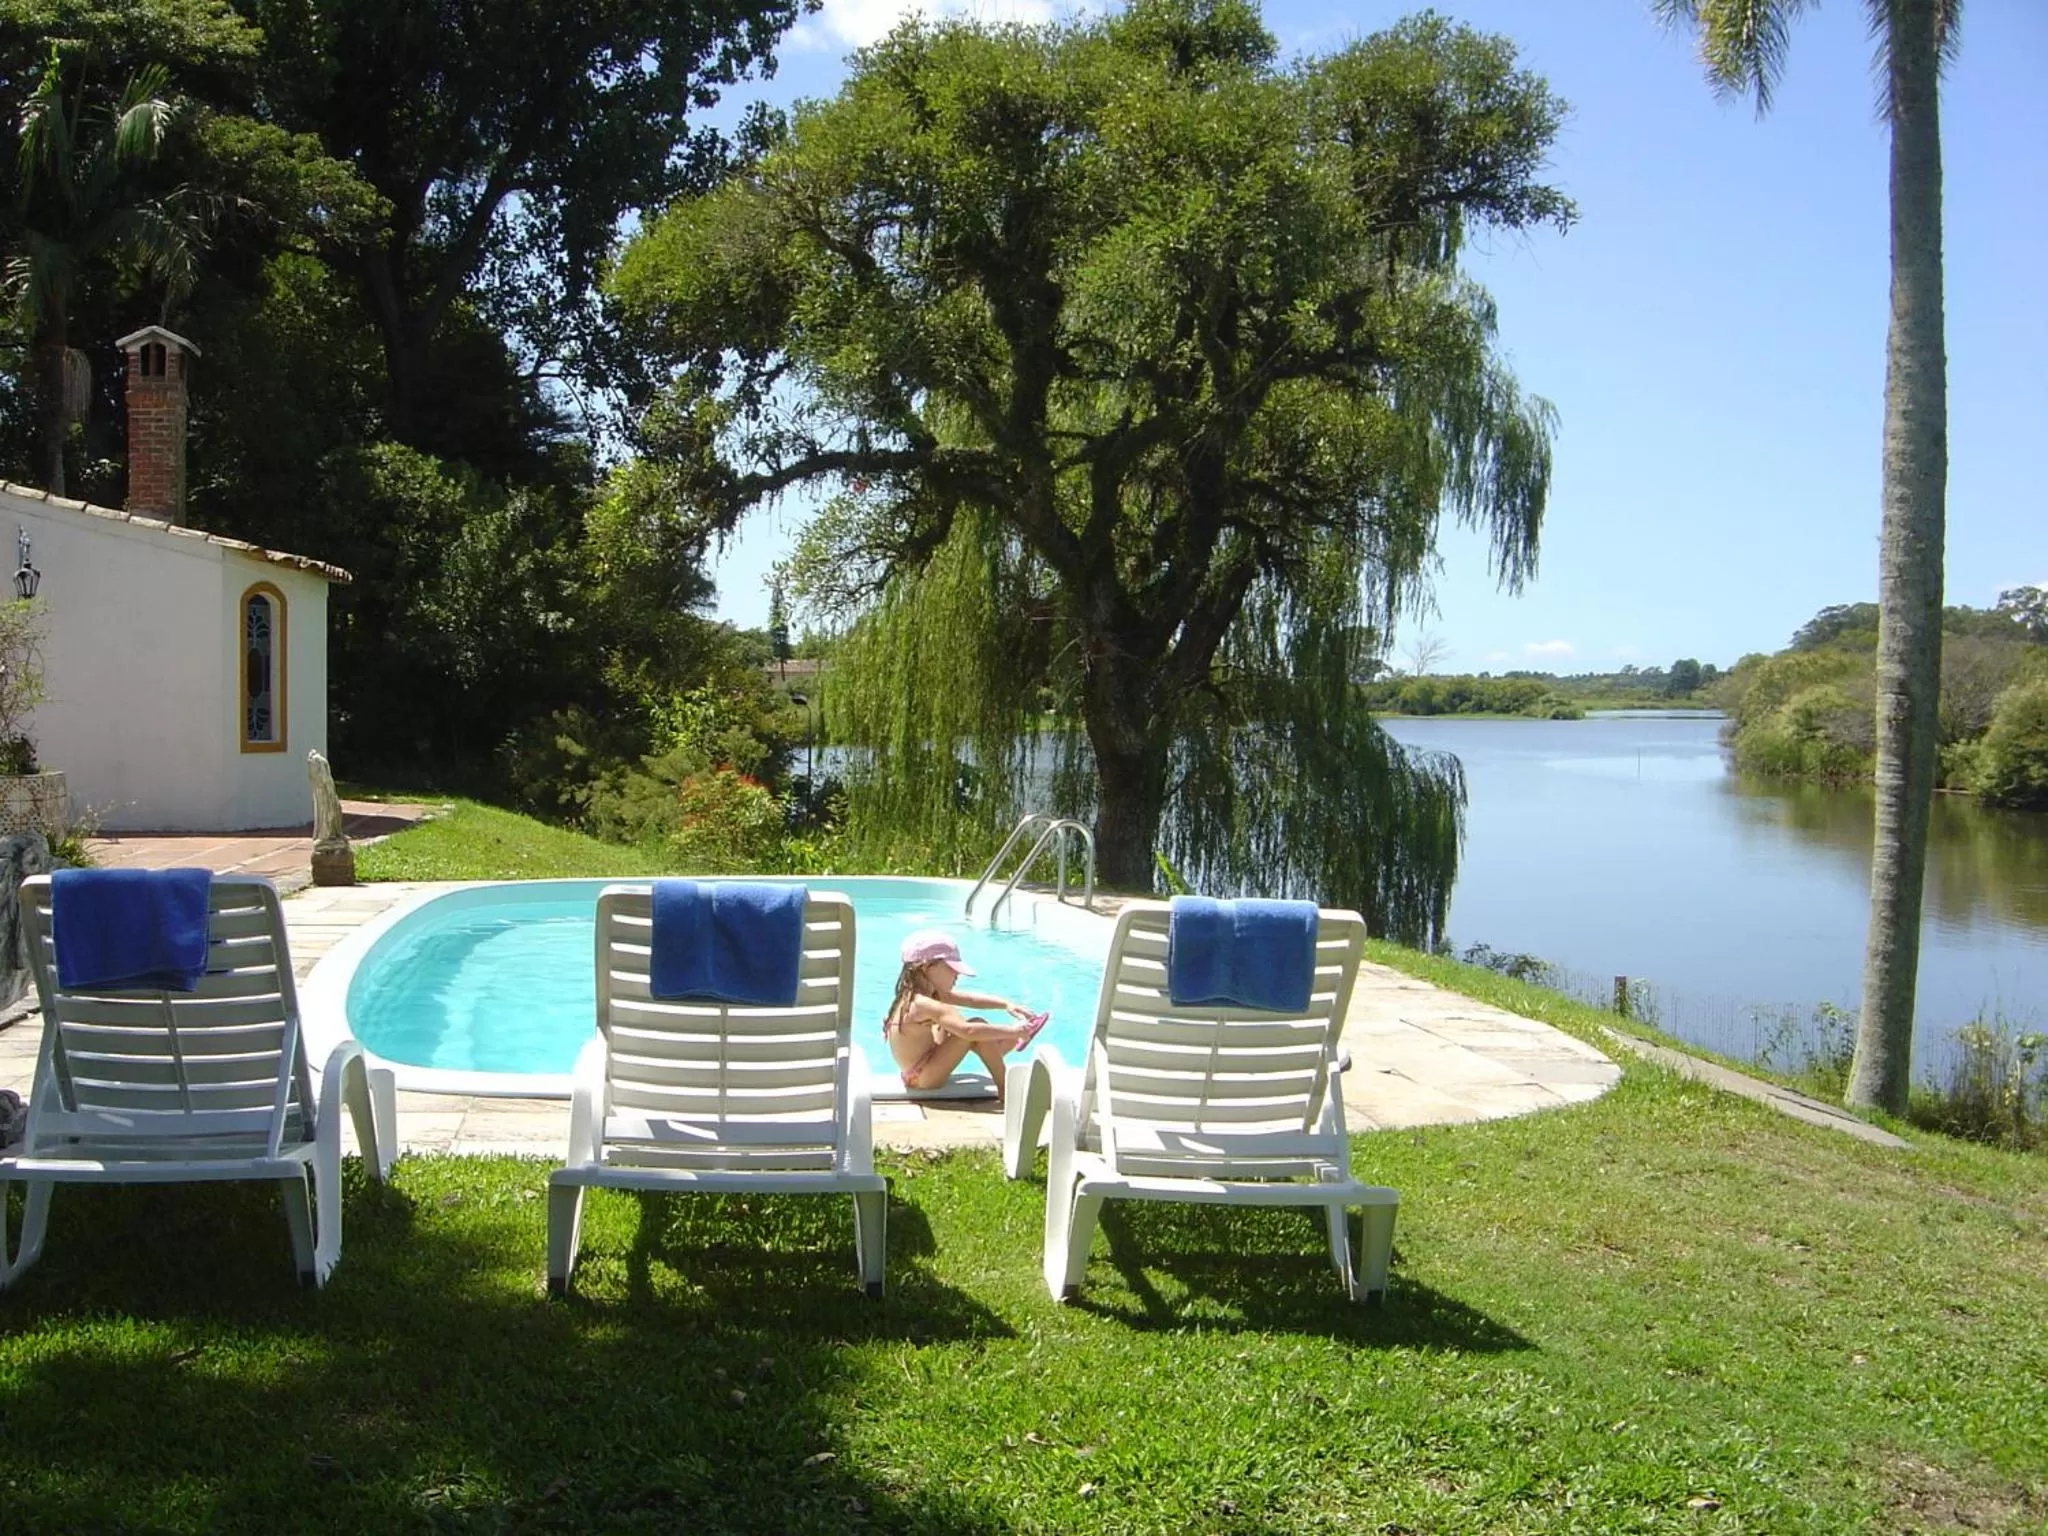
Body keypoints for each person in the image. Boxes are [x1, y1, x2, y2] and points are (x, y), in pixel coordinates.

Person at [883, 929, 1047, 1098]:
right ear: (926, 967)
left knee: (956, 1022)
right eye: (952, 968)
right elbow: (967, 1031)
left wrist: (1006, 1004)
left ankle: (998, 1046)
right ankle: (1005, 1087)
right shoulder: (923, 1004)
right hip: (922, 1077)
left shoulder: (915, 996)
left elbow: (971, 1000)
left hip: (918, 1070)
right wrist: (1014, 1031)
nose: (958, 974)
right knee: (975, 1027)